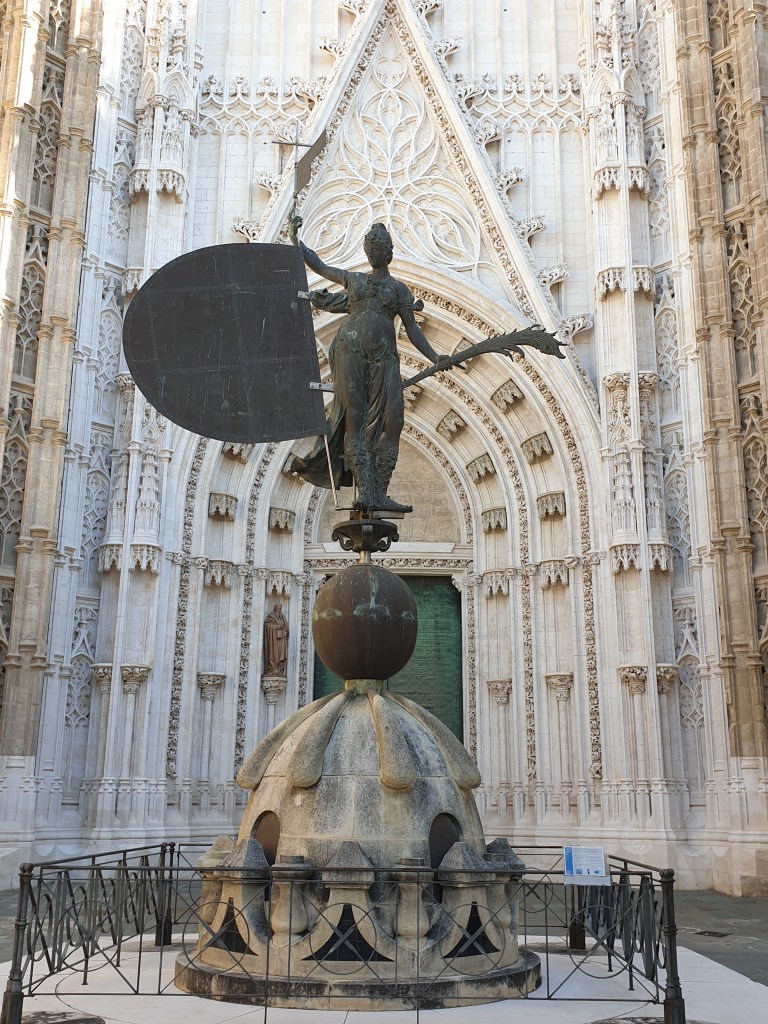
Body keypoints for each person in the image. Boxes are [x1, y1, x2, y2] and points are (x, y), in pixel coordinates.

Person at [289, 216, 448, 513]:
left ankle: (379, 492)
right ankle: (366, 493)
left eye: (378, 248)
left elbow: (412, 328)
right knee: (355, 419)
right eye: (369, 248)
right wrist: (295, 240)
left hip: (384, 356)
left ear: (389, 253)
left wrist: (435, 356)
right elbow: (321, 267)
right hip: (349, 351)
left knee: (394, 420)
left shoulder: (399, 289)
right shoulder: (355, 280)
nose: (373, 253)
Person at [263, 602, 289, 677]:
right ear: (275, 608)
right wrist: (275, 627)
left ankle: (280, 669)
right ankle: (272, 669)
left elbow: (286, 627)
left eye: (280, 608)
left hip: (282, 640)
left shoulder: (283, 617)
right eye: (278, 608)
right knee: (273, 653)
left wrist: (285, 632)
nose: (279, 610)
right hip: (273, 640)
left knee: (281, 653)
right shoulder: (270, 616)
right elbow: (266, 625)